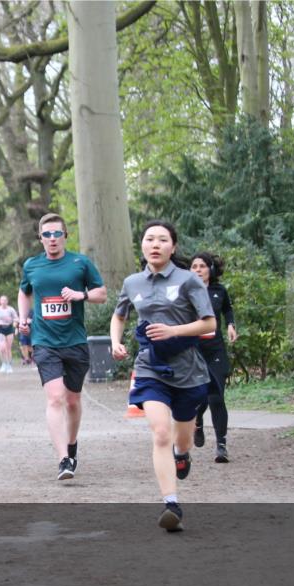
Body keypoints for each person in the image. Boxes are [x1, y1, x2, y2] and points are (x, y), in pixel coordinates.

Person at [110, 221, 216, 532]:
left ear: (173, 247)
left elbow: (209, 324)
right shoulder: (132, 282)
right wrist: (116, 341)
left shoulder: (189, 281)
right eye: (149, 239)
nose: (155, 244)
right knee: (160, 433)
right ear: (141, 246)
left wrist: (174, 330)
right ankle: (171, 504)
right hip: (150, 367)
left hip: (188, 369)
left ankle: (182, 455)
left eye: (162, 240)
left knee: (182, 438)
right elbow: (119, 315)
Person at [18, 213, 107, 480]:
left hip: (75, 341)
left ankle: (72, 443)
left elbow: (102, 294)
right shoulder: (32, 265)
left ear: (65, 236)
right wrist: (23, 319)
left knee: (72, 400)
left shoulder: (80, 263)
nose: (52, 239)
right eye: (47, 234)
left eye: (57, 234)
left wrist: (81, 295)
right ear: (40, 238)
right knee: (55, 397)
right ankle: (63, 460)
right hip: (44, 342)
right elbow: (25, 291)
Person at [190, 252, 238, 463]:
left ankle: (221, 446)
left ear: (211, 270)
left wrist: (230, 325)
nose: (198, 269)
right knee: (200, 398)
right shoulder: (186, 291)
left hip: (215, 350)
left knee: (216, 397)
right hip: (193, 350)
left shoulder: (220, 291)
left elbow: (228, 309)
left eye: (202, 266)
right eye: (194, 266)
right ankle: (198, 420)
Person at [0, 295, 19, 373]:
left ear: (7, 301)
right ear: (0, 301)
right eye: (2, 300)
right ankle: (3, 364)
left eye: (5, 300)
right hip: (0, 328)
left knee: (8, 348)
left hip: (9, 328)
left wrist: (14, 323)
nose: (3, 302)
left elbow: (16, 318)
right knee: (2, 348)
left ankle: (9, 365)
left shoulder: (11, 309)